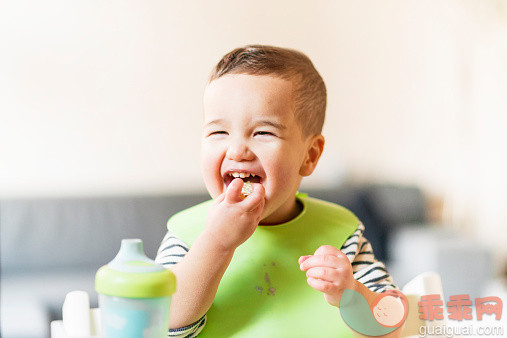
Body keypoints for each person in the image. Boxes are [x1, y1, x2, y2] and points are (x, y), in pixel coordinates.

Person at [156, 45, 400, 337]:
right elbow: (161, 325)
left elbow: (391, 325)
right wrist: (217, 242)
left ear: (309, 155)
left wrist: (351, 293)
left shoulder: (342, 236)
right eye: (218, 132)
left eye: (263, 132)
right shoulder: (186, 234)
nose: (236, 149)